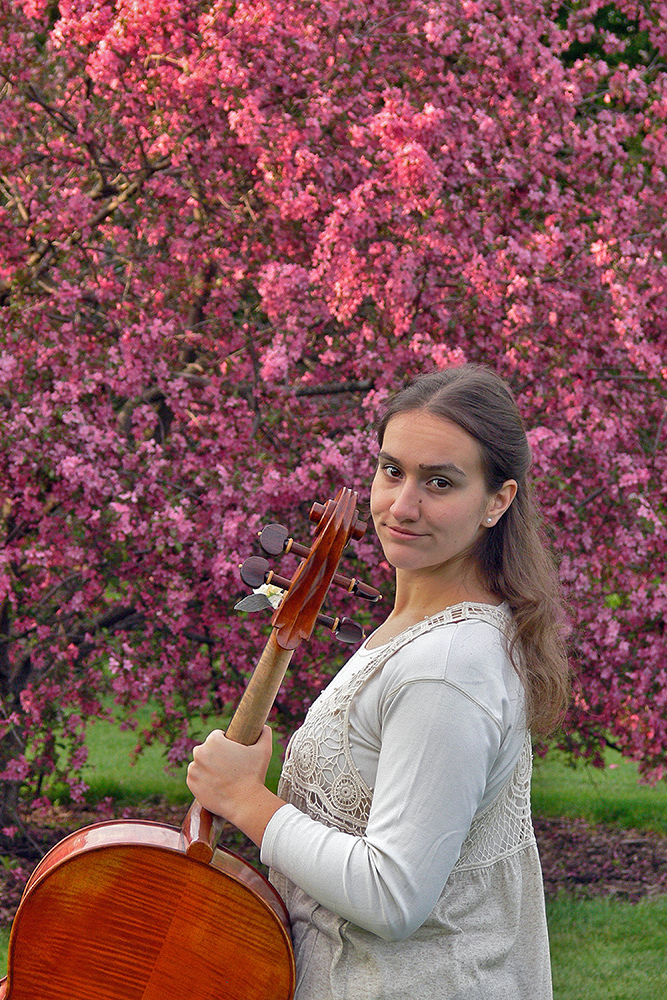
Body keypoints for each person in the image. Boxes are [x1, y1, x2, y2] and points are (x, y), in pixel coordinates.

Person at [187, 364, 570, 1000]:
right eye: (392, 471)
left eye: (439, 482)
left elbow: (393, 895)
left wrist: (245, 800)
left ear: (497, 501)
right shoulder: (419, 630)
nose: (402, 506)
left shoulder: (445, 668)